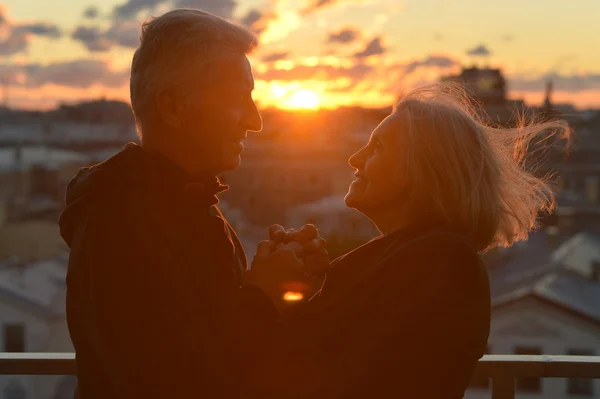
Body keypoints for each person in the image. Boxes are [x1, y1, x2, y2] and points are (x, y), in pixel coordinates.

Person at [59, 9, 327, 399]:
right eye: (239, 100)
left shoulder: (181, 204)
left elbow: (204, 336)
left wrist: (283, 284)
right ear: (173, 108)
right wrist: (261, 296)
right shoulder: (120, 223)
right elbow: (164, 378)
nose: (255, 121)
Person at [242, 83, 570, 398]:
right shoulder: (420, 257)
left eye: (377, 148)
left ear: (423, 169)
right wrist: (300, 290)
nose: (355, 159)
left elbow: (320, 383)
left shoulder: (441, 264)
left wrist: (263, 296)